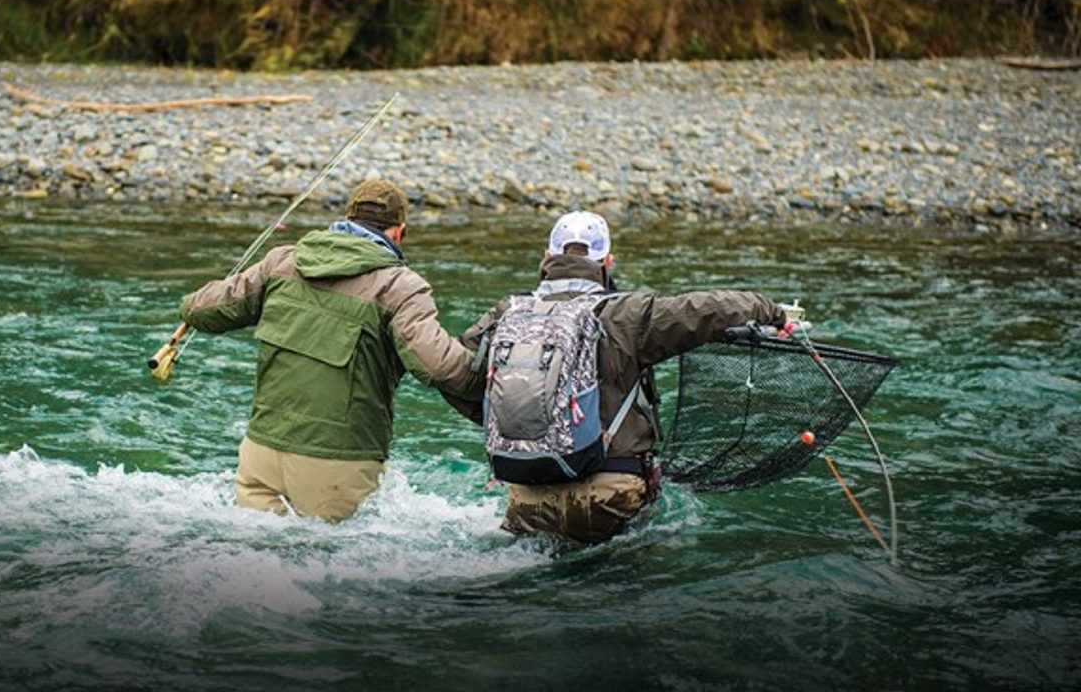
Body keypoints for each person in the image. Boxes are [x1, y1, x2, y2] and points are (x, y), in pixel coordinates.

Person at [447, 210, 788, 544]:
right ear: (607, 262)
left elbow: (453, 376)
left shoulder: (507, 313)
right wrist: (771, 311)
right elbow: (704, 310)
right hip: (610, 494)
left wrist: (511, 422)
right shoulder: (630, 314)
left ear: (547, 256)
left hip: (528, 494)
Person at [179, 179, 482, 522]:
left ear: (346, 220)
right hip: (337, 465)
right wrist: (498, 384)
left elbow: (199, 310)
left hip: (260, 455)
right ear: (398, 233)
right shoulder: (399, 287)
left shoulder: (281, 262)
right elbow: (440, 367)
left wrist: (193, 303)